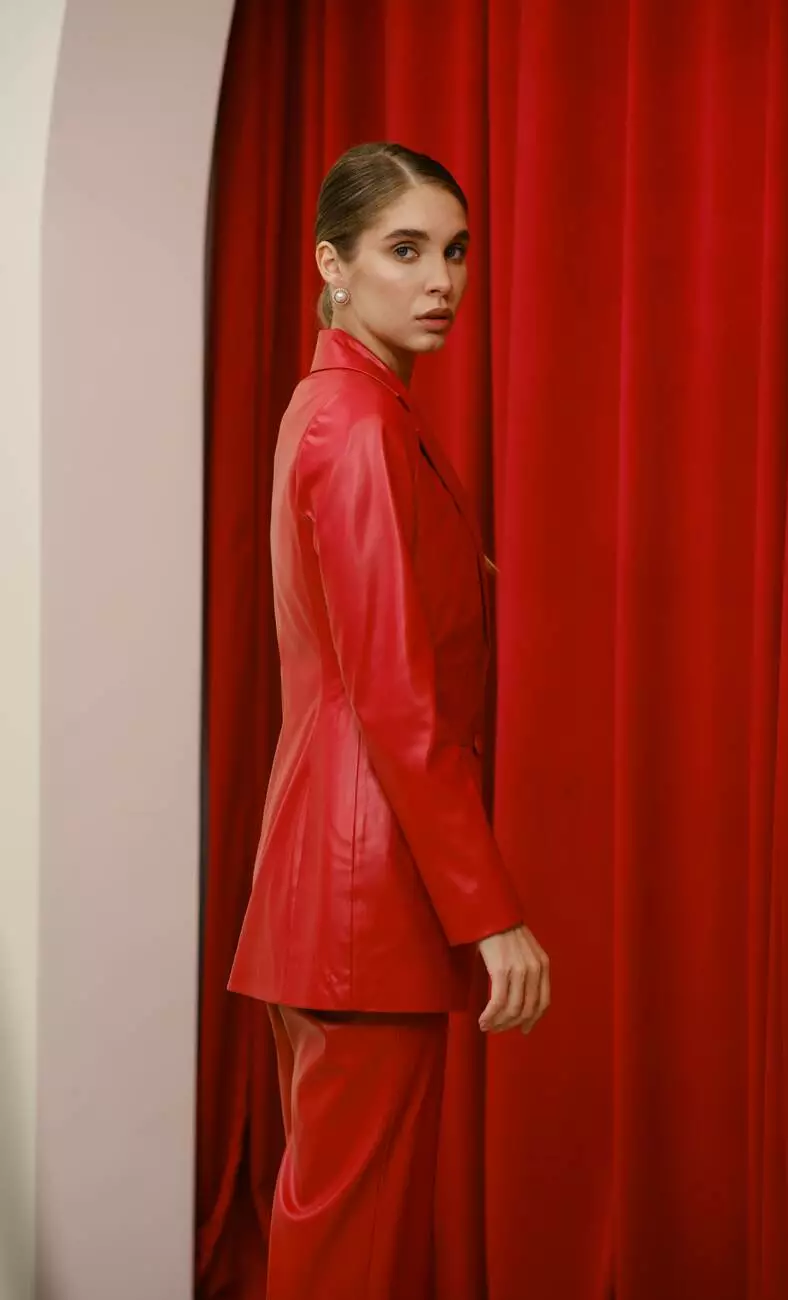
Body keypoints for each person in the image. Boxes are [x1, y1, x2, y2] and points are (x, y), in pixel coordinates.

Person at [228, 141, 551, 1299]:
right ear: (333, 264)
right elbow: (395, 697)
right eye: (405, 250)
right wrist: (492, 913)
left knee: (342, 1231)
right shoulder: (356, 423)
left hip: (336, 884)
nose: (441, 281)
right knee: (352, 1250)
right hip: (365, 894)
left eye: (455, 252)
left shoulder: (341, 408)